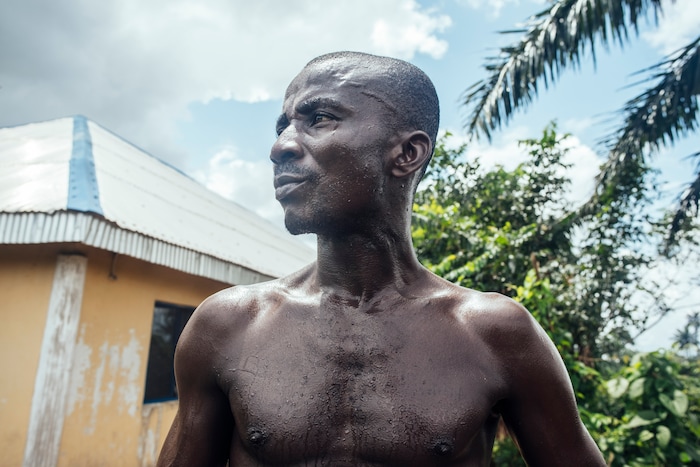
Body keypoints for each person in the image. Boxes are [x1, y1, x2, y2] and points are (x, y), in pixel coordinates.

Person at [157, 51, 606, 466]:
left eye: (319, 118)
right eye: (283, 126)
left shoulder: (495, 333)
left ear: (407, 154)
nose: (282, 146)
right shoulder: (227, 325)